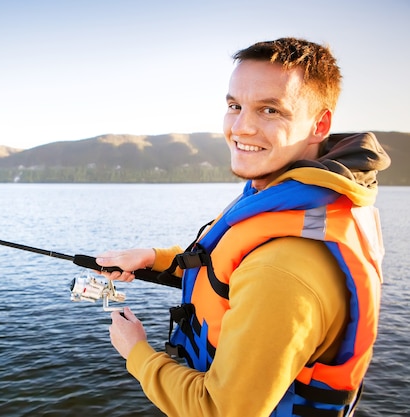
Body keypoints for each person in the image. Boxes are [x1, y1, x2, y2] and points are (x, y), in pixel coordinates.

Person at [96, 37, 391, 417]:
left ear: (320, 124)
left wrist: (135, 350)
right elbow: (228, 264)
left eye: (270, 110)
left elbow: (221, 410)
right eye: (234, 106)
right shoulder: (299, 193)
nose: (241, 127)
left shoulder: (284, 269)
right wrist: (155, 259)